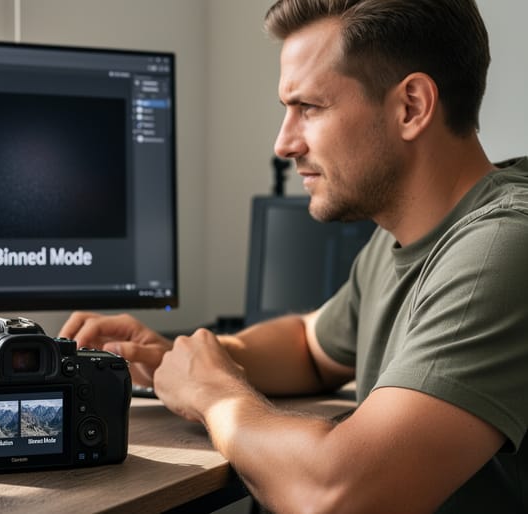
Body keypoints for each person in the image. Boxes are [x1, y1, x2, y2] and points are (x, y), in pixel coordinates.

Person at [59, 1, 528, 512]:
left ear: (411, 106)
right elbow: (310, 343)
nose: (284, 142)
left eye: (309, 107)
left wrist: (215, 395)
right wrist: (185, 357)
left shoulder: (501, 249)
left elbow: (338, 495)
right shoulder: (407, 235)